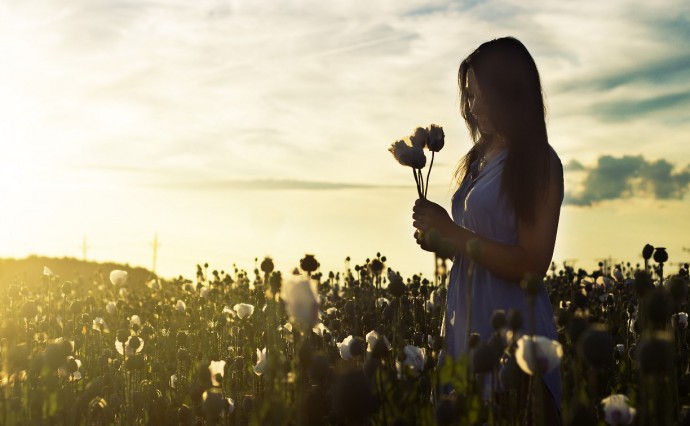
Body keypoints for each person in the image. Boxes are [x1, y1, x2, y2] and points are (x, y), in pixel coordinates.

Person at [412, 36, 563, 424]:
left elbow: (532, 263)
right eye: (469, 95)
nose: (473, 106)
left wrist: (455, 234)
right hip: (466, 327)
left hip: (515, 336)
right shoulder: (478, 159)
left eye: (482, 95)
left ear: (510, 93)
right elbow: (479, 243)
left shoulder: (539, 162)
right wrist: (442, 240)